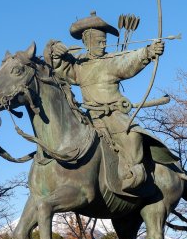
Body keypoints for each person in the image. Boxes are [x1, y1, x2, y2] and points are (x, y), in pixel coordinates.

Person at [43, 11, 178, 192]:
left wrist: (148, 52)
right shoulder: (79, 66)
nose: (103, 44)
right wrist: (55, 50)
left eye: (104, 41)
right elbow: (59, 67)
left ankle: (133, 174)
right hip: (90, 116)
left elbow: (128, 62)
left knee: (132, 135)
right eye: (99, 41)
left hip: (114, 115)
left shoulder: (111, 61)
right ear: (87, 41)